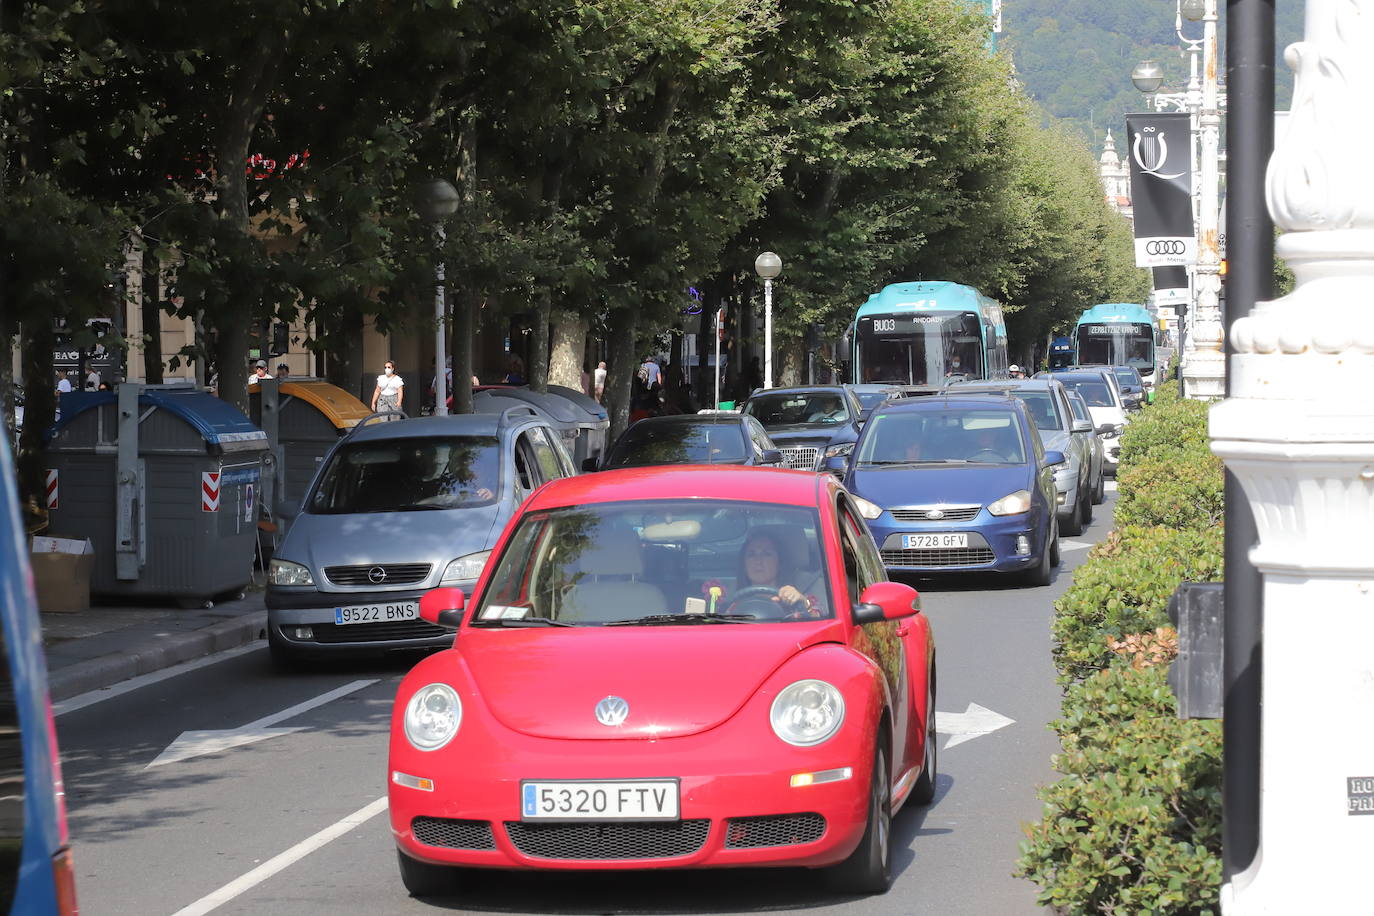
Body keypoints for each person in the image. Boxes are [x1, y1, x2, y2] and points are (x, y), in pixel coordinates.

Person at [703, 530, 817, 619]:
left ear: (780, 563)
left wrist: (802, 602)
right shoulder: (732, 606)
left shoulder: (794, 605)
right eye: (751, 555)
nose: (758, 560)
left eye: (766, 554)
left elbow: (817, 624)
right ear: (744, 566)